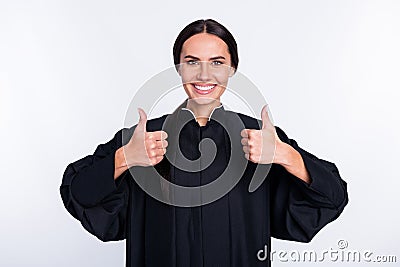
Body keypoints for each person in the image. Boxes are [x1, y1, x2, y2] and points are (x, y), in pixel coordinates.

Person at [60, 19, 348, 267]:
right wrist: (125, 158)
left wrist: (286, 155)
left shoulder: (260, 138)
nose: (204, 75)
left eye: (217, 63)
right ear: (178, 68)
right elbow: (78, 194)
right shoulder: (143, 138)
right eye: (192, 62)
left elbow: (332, 197)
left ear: (233, 68)